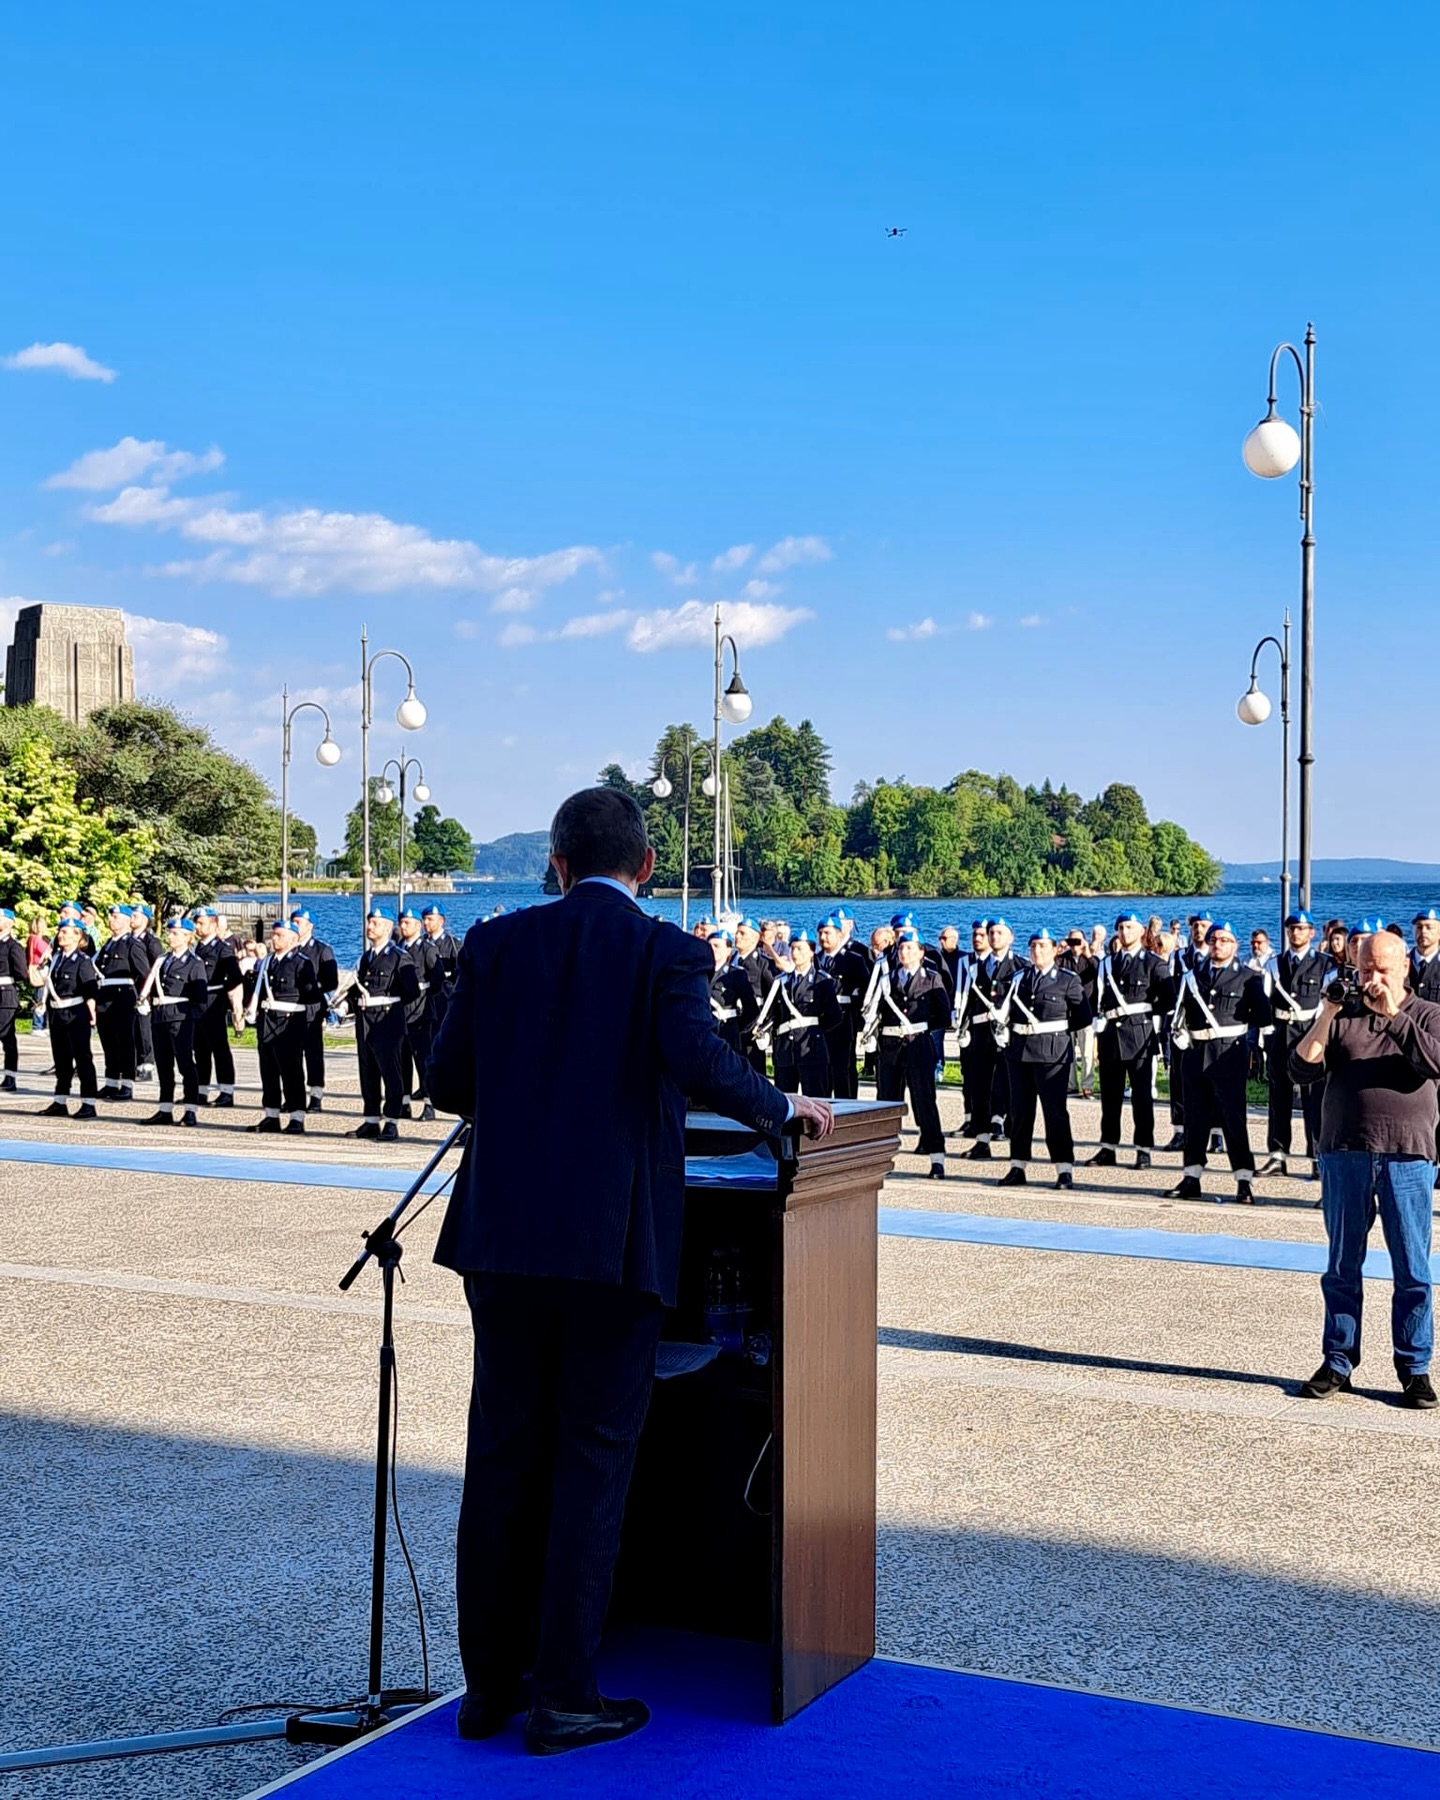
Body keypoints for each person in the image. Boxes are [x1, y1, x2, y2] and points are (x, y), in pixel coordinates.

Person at [426, 787, 831, 1755]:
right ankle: (564, 1694)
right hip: (610, 1248)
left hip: (504, 1244)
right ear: (645, 868)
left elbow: (446, 1084)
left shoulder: (496, 944)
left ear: (557, 863)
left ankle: (489, 1689)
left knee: (502, 1462)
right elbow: (693, 1058)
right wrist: (784, 1108)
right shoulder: (666, 950)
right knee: (592, 1465)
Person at [1291, 929, 1440, 1408]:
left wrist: (1392, 1017)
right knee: (1341, 1266)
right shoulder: (1342, 1016)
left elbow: (1433, 1061)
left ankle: (1414, 1368)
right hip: (1345, 1153)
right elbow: (1300, 1067)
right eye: (1364, 970)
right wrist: (1328, 1012)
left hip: (1408, 1155)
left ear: (1404, 970)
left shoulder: (1427, 1015)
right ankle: (1338, 1360)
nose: (1372, 979)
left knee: (1413, 1269)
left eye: (1382, 970)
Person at [1164, 920, 1270, 1204]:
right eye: (1213, 940)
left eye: (1224, 940)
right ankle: (1191, 1176)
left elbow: (1263, 1015)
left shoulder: (1247, 977)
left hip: (1228, 1053)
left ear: (1234, 946)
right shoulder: (1192, 976)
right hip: (1196, 1052)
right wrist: (1179, 1037)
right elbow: (1178, 1014)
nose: (1217, 945)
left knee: (1233, 1120)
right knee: (1194, 1119)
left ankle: (1243, 1179)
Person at [999, 928, 1091, 1189]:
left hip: (1052, 1054)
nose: (1037, 952)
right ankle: (1018, 1165)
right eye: (1033, 947)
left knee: (1055, 1113)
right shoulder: (1019, 978)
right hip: (1020, 1053)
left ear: (1054, 950)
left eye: (1042, 946)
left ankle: (1064, 1168)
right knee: (1019, 1113)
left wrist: (1057, 1036)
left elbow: (1082, 1016)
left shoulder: (1067, 980)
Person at [1087, 911, 1173, 1170]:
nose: (1124, 932)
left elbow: (1167, 1000)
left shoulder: (1154, 963)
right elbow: (1098, 998)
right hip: (1111, 1036)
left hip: (1139, 1036)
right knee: (1109, 1097)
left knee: (1141, 1096)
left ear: (1140, 932)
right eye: (1121, 928)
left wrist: (1143, 1016)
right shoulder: (1107, 964)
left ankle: (1143, 1148)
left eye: (1130, 927)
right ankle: (1108, 1147)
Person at [1256, 911, 1330, 1180]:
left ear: (1311, 933)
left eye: (1301, 929)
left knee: (1314, 1100)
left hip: (1310, 1035)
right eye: (1292, 929)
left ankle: (1316, 1157)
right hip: (1282, 1034)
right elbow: (1265, 1001)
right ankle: (1278, 1154)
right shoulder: (1275, 965)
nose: (1295, 934)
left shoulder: (1324, 964)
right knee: (1278, 1098)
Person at [871, 928, 949, 1176]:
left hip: (919, 1046)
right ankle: (882, 1158)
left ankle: (936, 1157)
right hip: (891, 1048)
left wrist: (920, 1031)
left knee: (925, 1103)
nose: (905, 952)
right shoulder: (887, 979)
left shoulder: (932, 978)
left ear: (921, 953)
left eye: (910, 949)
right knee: (886, 1103)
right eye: (902, 948)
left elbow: (943, 1015)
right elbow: (876, 1012)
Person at [345, 907, 419, 1140]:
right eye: (369, 923)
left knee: (390, 1070)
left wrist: (387, 1002)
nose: (369, 927)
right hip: (365, 1019)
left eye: (375, 923)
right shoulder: (366, 957)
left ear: (387, 927)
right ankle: (371, 1119)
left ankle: (392, 1120)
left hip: (387, 1019)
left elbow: (411, 991)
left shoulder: (398, 956)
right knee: (367, 1070)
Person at [246, 917, 320, 1134]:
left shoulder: (300, 962)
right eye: (274, 934)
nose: (274, 938)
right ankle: (271, 1115)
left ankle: (297, 1116)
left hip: (289, 1022)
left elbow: (311, 995)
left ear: (293, 939)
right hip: (268, 1021)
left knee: (291, 1071)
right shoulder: (268, 961)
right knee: (268, 1070)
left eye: (279, 935)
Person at [958, 918, 1021, 1159]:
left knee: (1011, 1087)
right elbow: (967, 1001)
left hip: (1007, 1035)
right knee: (979, 1090)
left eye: (999, 933)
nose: (994, 937)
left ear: (1010, 938)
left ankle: (1014, 1139)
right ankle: (982, 1140)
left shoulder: (1019, 966)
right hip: (981, 1034)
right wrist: (963, 1029)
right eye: (991, 933)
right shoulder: (975, 968)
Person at [139, 916, 209, 1127]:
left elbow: (200, 996)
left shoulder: (193, 963)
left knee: (185, 1063)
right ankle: (165, 1109)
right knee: (164, 1065)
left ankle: (190, 1109)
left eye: (175, 933)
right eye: (169, 932)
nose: (170, 936)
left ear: (188, 937)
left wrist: (189, 1016)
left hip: (181, 1017)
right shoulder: (162, 960)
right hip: (160, 1015)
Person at [30, 919, 99, 1119]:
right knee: (61, 1059)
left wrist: (92, 1014)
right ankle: (60, 1101)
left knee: (83, 1058)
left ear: (78, 936)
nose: (61, 935)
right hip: (57, 1014)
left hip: (76, 1013)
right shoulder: (55, 959)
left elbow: (90, 991)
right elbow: (37, 981)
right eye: (60, 931)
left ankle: (88, 1102)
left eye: (66, 932)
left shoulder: (83, 960)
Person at [770, 929, 841, 1097]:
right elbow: (775, 1014)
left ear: (811, 952)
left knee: (816, 1099)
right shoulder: (782, 981)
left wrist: (814, 1031)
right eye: (792, 948)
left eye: (800, 949)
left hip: (811, 1048)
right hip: (786, 1049)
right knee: (785, 1102)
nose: (794, 953)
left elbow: (834, 1016)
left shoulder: (821, 981)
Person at [93, 903, 147, 1103]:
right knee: (108, 1042)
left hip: (123, 997)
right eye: (111, 916)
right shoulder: (107, 944)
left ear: (127, 920)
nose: (112, 920)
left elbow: (143, 973)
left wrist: (142, 997)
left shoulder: (132, 943)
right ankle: (111, 1081)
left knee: (125, 1042)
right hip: (105, 998)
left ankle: (127, 1084)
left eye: (116, 917)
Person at [193, 908, 245, 1105]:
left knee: (219, 1047)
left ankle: (226, 1090)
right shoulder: (198, 948)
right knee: (200, 1048)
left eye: (202, 923)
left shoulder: (222, 948)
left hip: (214, 1002)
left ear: (214, 925)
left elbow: (235, 977)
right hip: (198, 1002)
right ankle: (201, 1089)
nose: (198, 927)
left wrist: (228, 998)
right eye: (196, 923)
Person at [291, 909, 340, 1113]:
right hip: (291, 1009)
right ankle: (294, 1095)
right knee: (291, 1054)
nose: (295, 925)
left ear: (309, 926)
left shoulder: (321, 950)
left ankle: (316, 1094)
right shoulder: (289, 949)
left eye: (298, 922)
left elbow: (331, 981)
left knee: (313, 1053)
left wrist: (313, 989)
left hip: (312, 1008)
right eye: (292, 922)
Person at [816, 913, 869, 1098]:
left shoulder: (853, 959)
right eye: (821, 933)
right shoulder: (815, 960)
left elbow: (865, 990)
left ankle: (845, 1112)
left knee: (842, 1071)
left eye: (828, 933)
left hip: (843, 1021)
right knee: (821, 1071)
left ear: (839, 935)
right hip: (819, 1022)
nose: (823, 937)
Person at [398, 906, 441, 1120]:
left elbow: (437, 980)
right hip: (400, 1013)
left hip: (421, 1011)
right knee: (402, 1058)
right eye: (401, 922)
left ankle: (429, 1103)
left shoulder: (427, 948)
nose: (403, 926)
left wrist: (421, 991)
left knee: (423, 1059)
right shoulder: (397, 948)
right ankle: (404, 1103)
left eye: (408, 922)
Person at [705, 928, 757, 1056]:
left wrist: (735, 1027)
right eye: (710, 946)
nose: (713, 949)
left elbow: (751, 1009)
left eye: (717, 946)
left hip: (727, 1034)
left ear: (728, 950)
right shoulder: (700, 974)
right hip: (704, 1033)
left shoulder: (736, 974)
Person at [1059, 931, 1099, 1097]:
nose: (1074, 945)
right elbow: (1049, 967)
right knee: (1068, 1052)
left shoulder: (1089, 959)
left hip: (1087, 1010)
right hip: (1067, 1011)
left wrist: (1087, 952)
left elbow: (1098, 970)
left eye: (1077, 941)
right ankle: (1071, 1084)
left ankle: (1087, 1084)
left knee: (1087, 1051)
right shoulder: (1063, 959)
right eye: (1072, 941)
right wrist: (1059, 949)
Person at [128, 903, 163, 1080]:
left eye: (135, 916)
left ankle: (146, 1064)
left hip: (143, 991)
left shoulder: (151, 941)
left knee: (143, 1030)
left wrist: (149, 995)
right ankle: (134, 1064)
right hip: (129, 989)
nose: (131, 919)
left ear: (145, 920)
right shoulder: (127, 939)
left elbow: (155, 968)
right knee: (132, 1030)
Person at [0, 908, 26, 1090]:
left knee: (6, 1036)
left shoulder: (13, 946)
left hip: (5, 993)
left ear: (9, 922)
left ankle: (10, 1076)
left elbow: (21, 972)